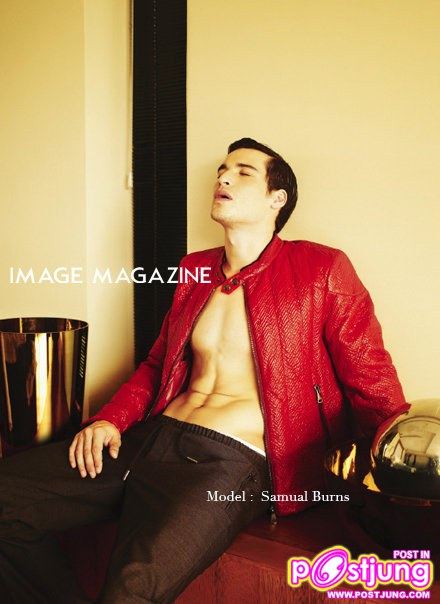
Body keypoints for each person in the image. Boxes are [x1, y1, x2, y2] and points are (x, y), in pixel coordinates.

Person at [0, 138, 409, 603]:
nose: (224, 177)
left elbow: (369, 374)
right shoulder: (194, 270)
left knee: (132, 590)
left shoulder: (321, 267)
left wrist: (401, 480)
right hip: (149, 439)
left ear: (277, 199)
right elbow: (158, 365)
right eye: (221, 170)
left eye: (243, 172)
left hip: (226, 463)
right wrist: (110, 419)